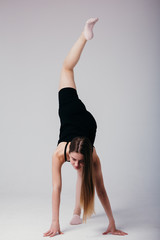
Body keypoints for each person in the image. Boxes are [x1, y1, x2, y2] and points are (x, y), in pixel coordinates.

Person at [43, 18, 128, 237]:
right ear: (67, 152)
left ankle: (77, 210)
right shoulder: (58, 154)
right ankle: (85, 36)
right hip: (73, 113)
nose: (74, 163)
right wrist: (55, 224)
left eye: (79, 161)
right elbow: (56, 188)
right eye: (73, 159)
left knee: (84, 173)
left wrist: (112, 223)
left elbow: (100, 189)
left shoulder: (92, 155)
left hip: (88, 124)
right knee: (66, 67)